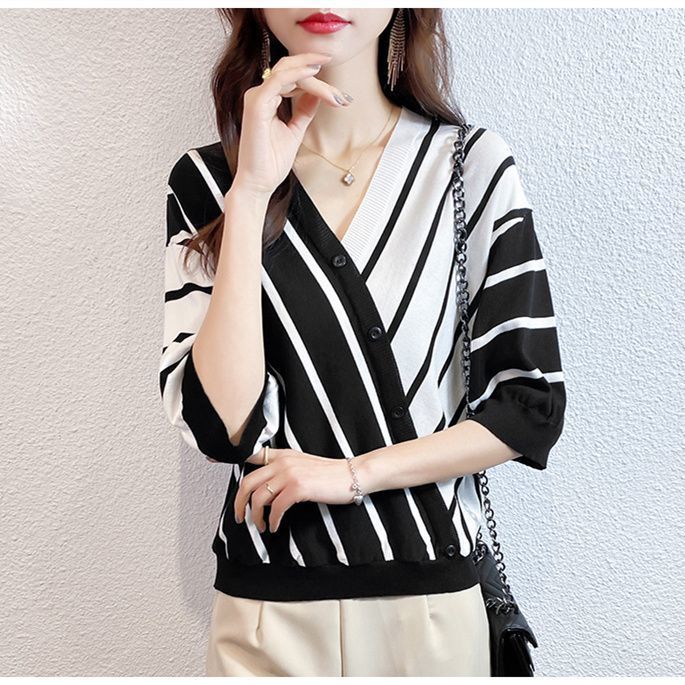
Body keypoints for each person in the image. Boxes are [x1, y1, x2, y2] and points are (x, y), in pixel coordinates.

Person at [159, 7, 566, 677]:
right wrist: (251, 193)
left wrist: (349, 476)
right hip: (265, 610)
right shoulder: (207, 183)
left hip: (430, 608)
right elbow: (222, 427)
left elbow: (527, 407)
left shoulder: (468, 169)